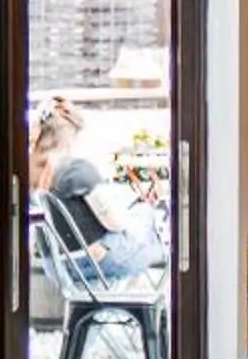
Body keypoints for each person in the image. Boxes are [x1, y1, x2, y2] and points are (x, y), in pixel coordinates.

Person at [29, 99, 164, 284]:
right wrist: (140, 208)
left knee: (138, 226)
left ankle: (129, 303)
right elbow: (115, 224)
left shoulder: (30, 173)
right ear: (70, 138)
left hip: (55, 267)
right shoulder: (77, 170)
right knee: (146, 216)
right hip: (92, 263)